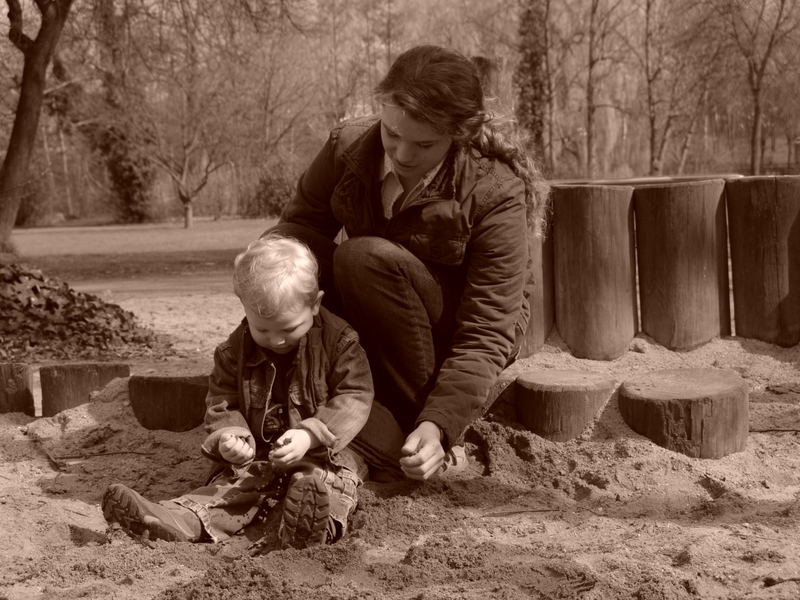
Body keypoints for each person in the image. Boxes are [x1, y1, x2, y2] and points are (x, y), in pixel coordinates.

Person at [267, 45, 550, 482]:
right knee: (284, 251)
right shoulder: (346, 146)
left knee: (363, 256)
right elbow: (294, 235)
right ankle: (288, 384)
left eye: (424, 144)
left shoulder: (496, 191)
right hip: (373, 317)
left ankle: (399, 423)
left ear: (459, 134)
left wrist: (439, 423)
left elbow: (488, 329)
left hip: (447, 347)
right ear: (383, 107)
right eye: (392, 133)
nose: (401, 154)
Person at [102, 234, 373, 548]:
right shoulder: (233, 351)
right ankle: (175, 519)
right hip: (258, 455)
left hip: (324, 454)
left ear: (315, 304)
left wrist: (310, 434)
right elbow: (221, 401)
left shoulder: (339, 342)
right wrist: (231, 437)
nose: (277, 340)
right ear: (244, 308)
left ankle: (311, 528)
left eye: (289, 329)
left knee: (327, 484)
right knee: (230, 488)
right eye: (263, 330)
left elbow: (355, 394)